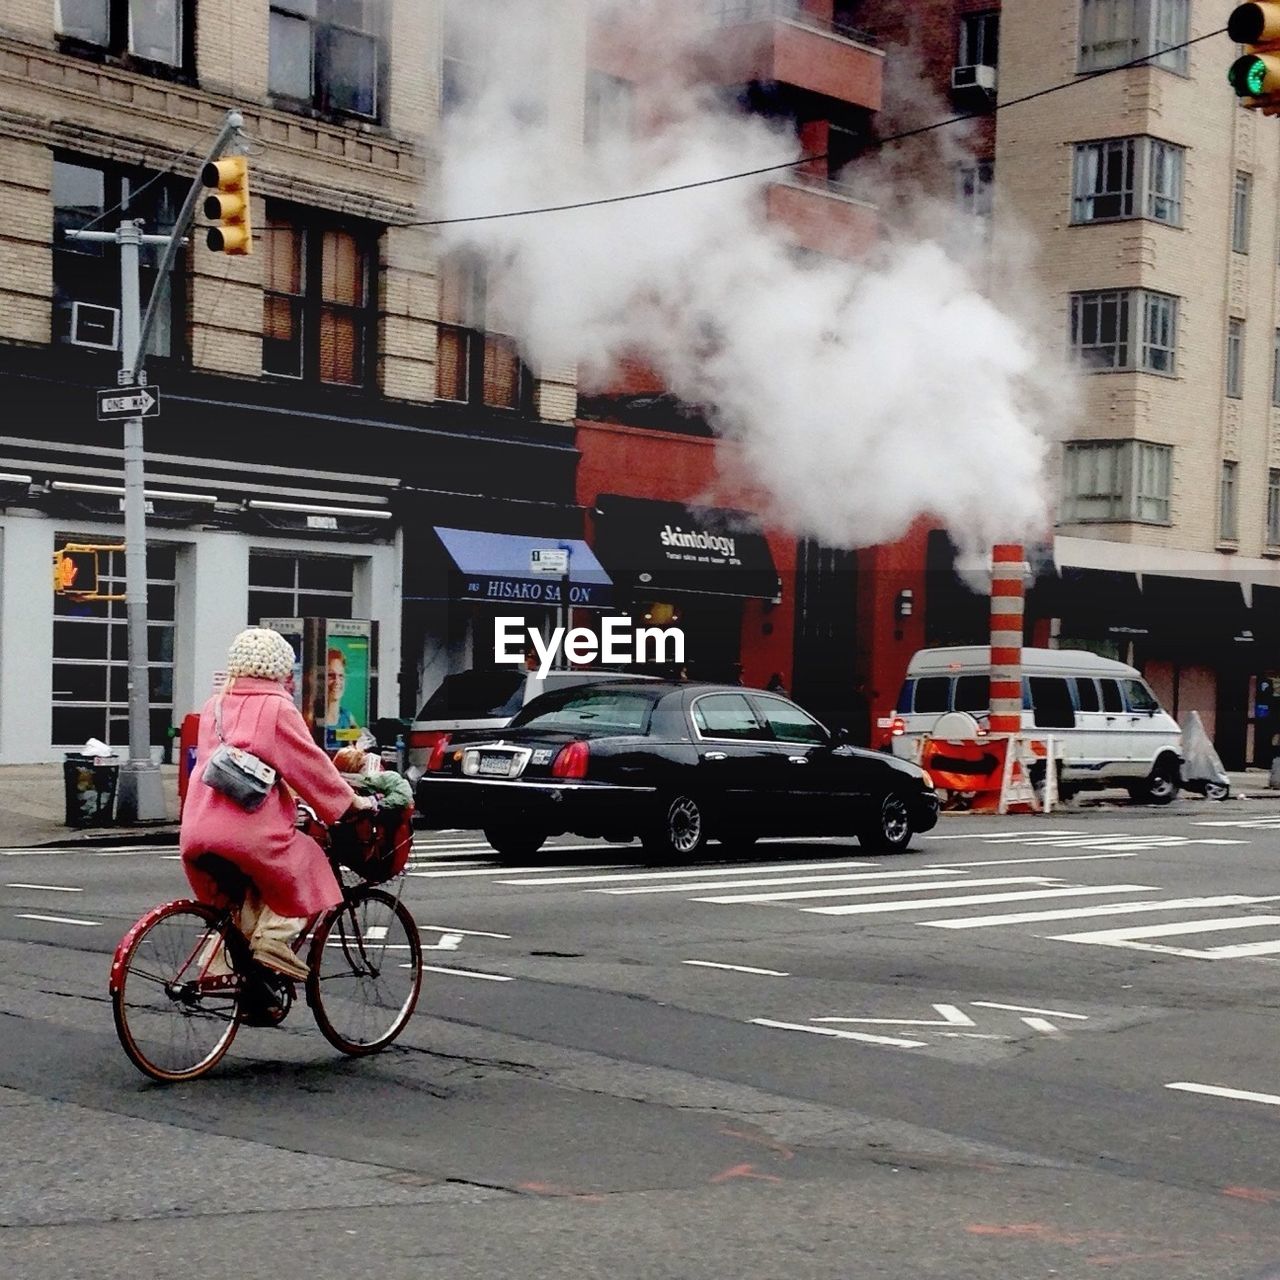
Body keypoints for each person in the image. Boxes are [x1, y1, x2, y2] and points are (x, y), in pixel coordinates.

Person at [181, 628, 375, 981]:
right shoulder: (277, 707)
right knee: (308, 861)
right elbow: (310, 767)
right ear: (283, 670)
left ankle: (221, 962)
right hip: (247, 831)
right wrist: (351, 803)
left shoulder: (214, 706)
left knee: (246, 894)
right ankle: (274, 941)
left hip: (198, 827)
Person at [326, 648, 357, 730]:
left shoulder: (348, 717)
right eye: (331, 675)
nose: (337, 681)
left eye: (341, 676)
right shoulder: (311, 718)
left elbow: (357, 741)